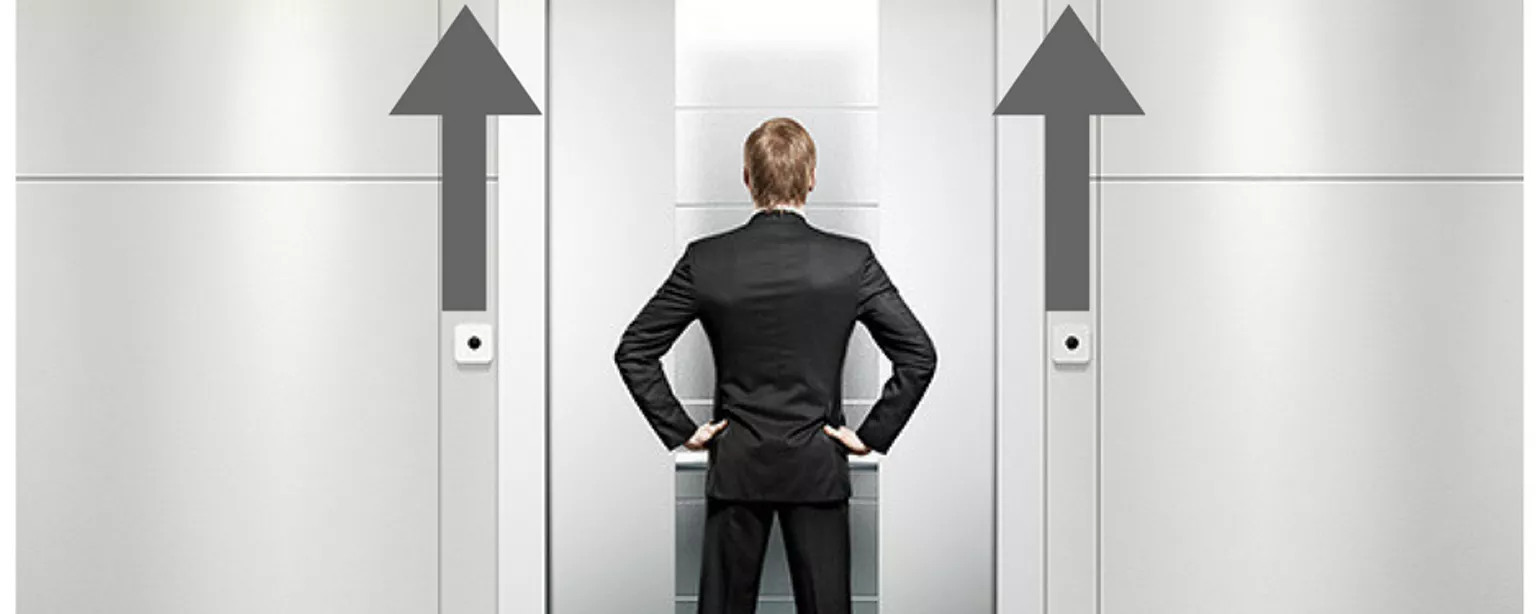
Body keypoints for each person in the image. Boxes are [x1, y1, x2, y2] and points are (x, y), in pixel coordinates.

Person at [615, 117, 937, 614]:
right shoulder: (851, 261)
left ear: (747, 177)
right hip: (817, 465)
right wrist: (872, 433)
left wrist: (684, 429)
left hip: (738, 464)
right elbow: (919, 354)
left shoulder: (707, 260)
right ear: (811, 176)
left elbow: (634, 349)